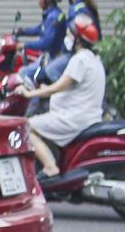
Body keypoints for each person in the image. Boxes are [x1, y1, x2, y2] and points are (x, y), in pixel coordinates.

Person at [17, 13, 104, 177]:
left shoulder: (80, 60)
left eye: (70, 34)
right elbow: (68, 88)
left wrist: (29, 94)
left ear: (77, 39)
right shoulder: (94, 59)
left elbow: (57, 87)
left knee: (26, 127)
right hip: (86, 116)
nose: (67, 37)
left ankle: (50, 167)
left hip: (73, 118)